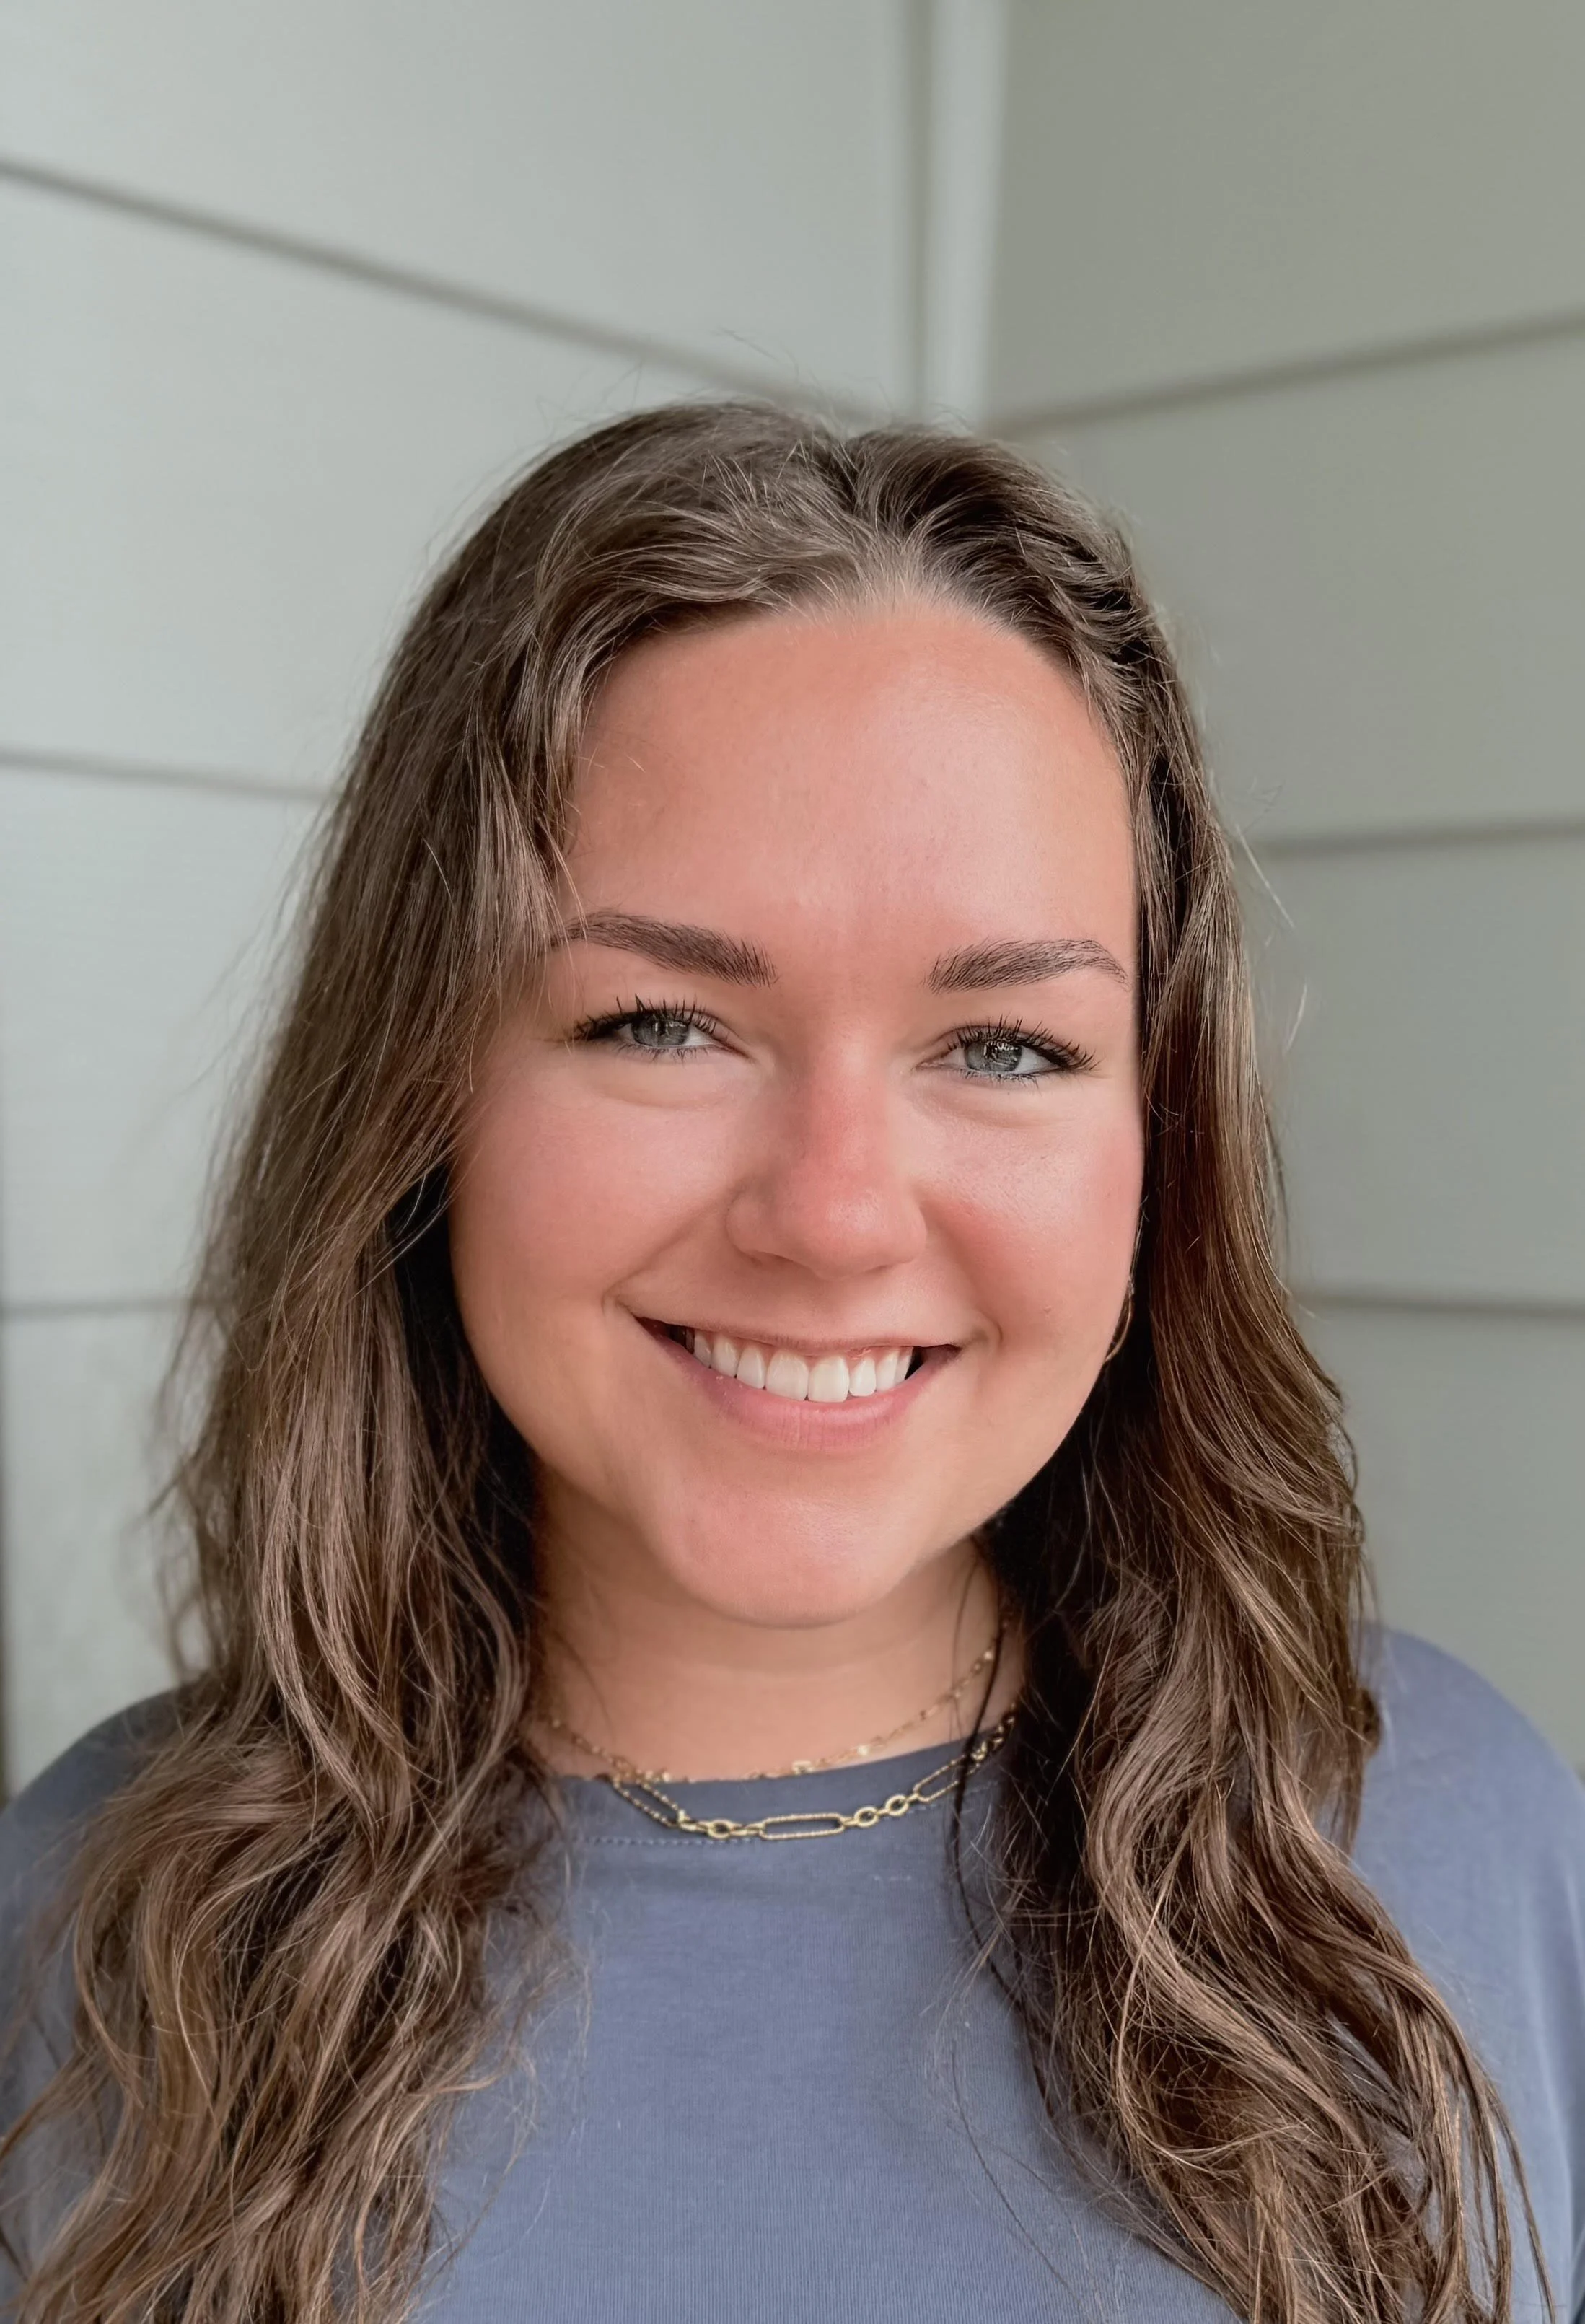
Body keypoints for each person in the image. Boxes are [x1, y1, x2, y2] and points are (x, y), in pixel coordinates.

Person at [1, 402, 1581, 2324]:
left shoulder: (1441, 1847)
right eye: (664, 1020)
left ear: (1154, 1136)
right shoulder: (96, 1911)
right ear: (426, 1094)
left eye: (1000, 1043)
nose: (832, 1216)